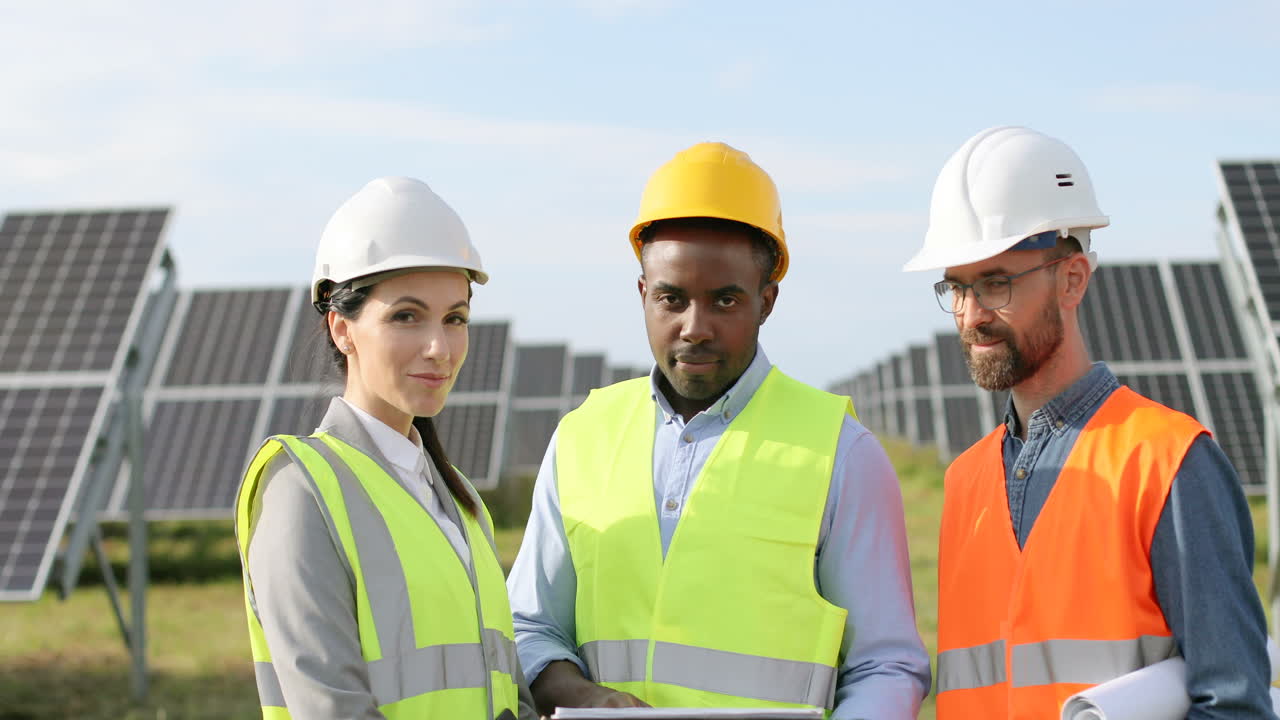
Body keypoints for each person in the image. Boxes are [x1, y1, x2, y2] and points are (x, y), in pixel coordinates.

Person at [507, 141, 931, 719]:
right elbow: (530, 626)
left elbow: (885, 666)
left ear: (767, 300)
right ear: (643, 296)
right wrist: (582, 696)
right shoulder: (581, 439)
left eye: (725, 300)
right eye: (671, 299)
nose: (694, 328)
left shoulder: (841, 452)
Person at [903, 126, 1276, 718]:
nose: (971, 314)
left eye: (996, 283)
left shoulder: (1170, 460)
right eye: (957, 287)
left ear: (1072, 279)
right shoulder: (963, 481)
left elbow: (1233, 703)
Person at [234, 177, 536, 719]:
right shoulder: (300, 488)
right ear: (342, 329)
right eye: (406, 316)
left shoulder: (460, 499)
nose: (439, 348)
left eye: (455, 318)